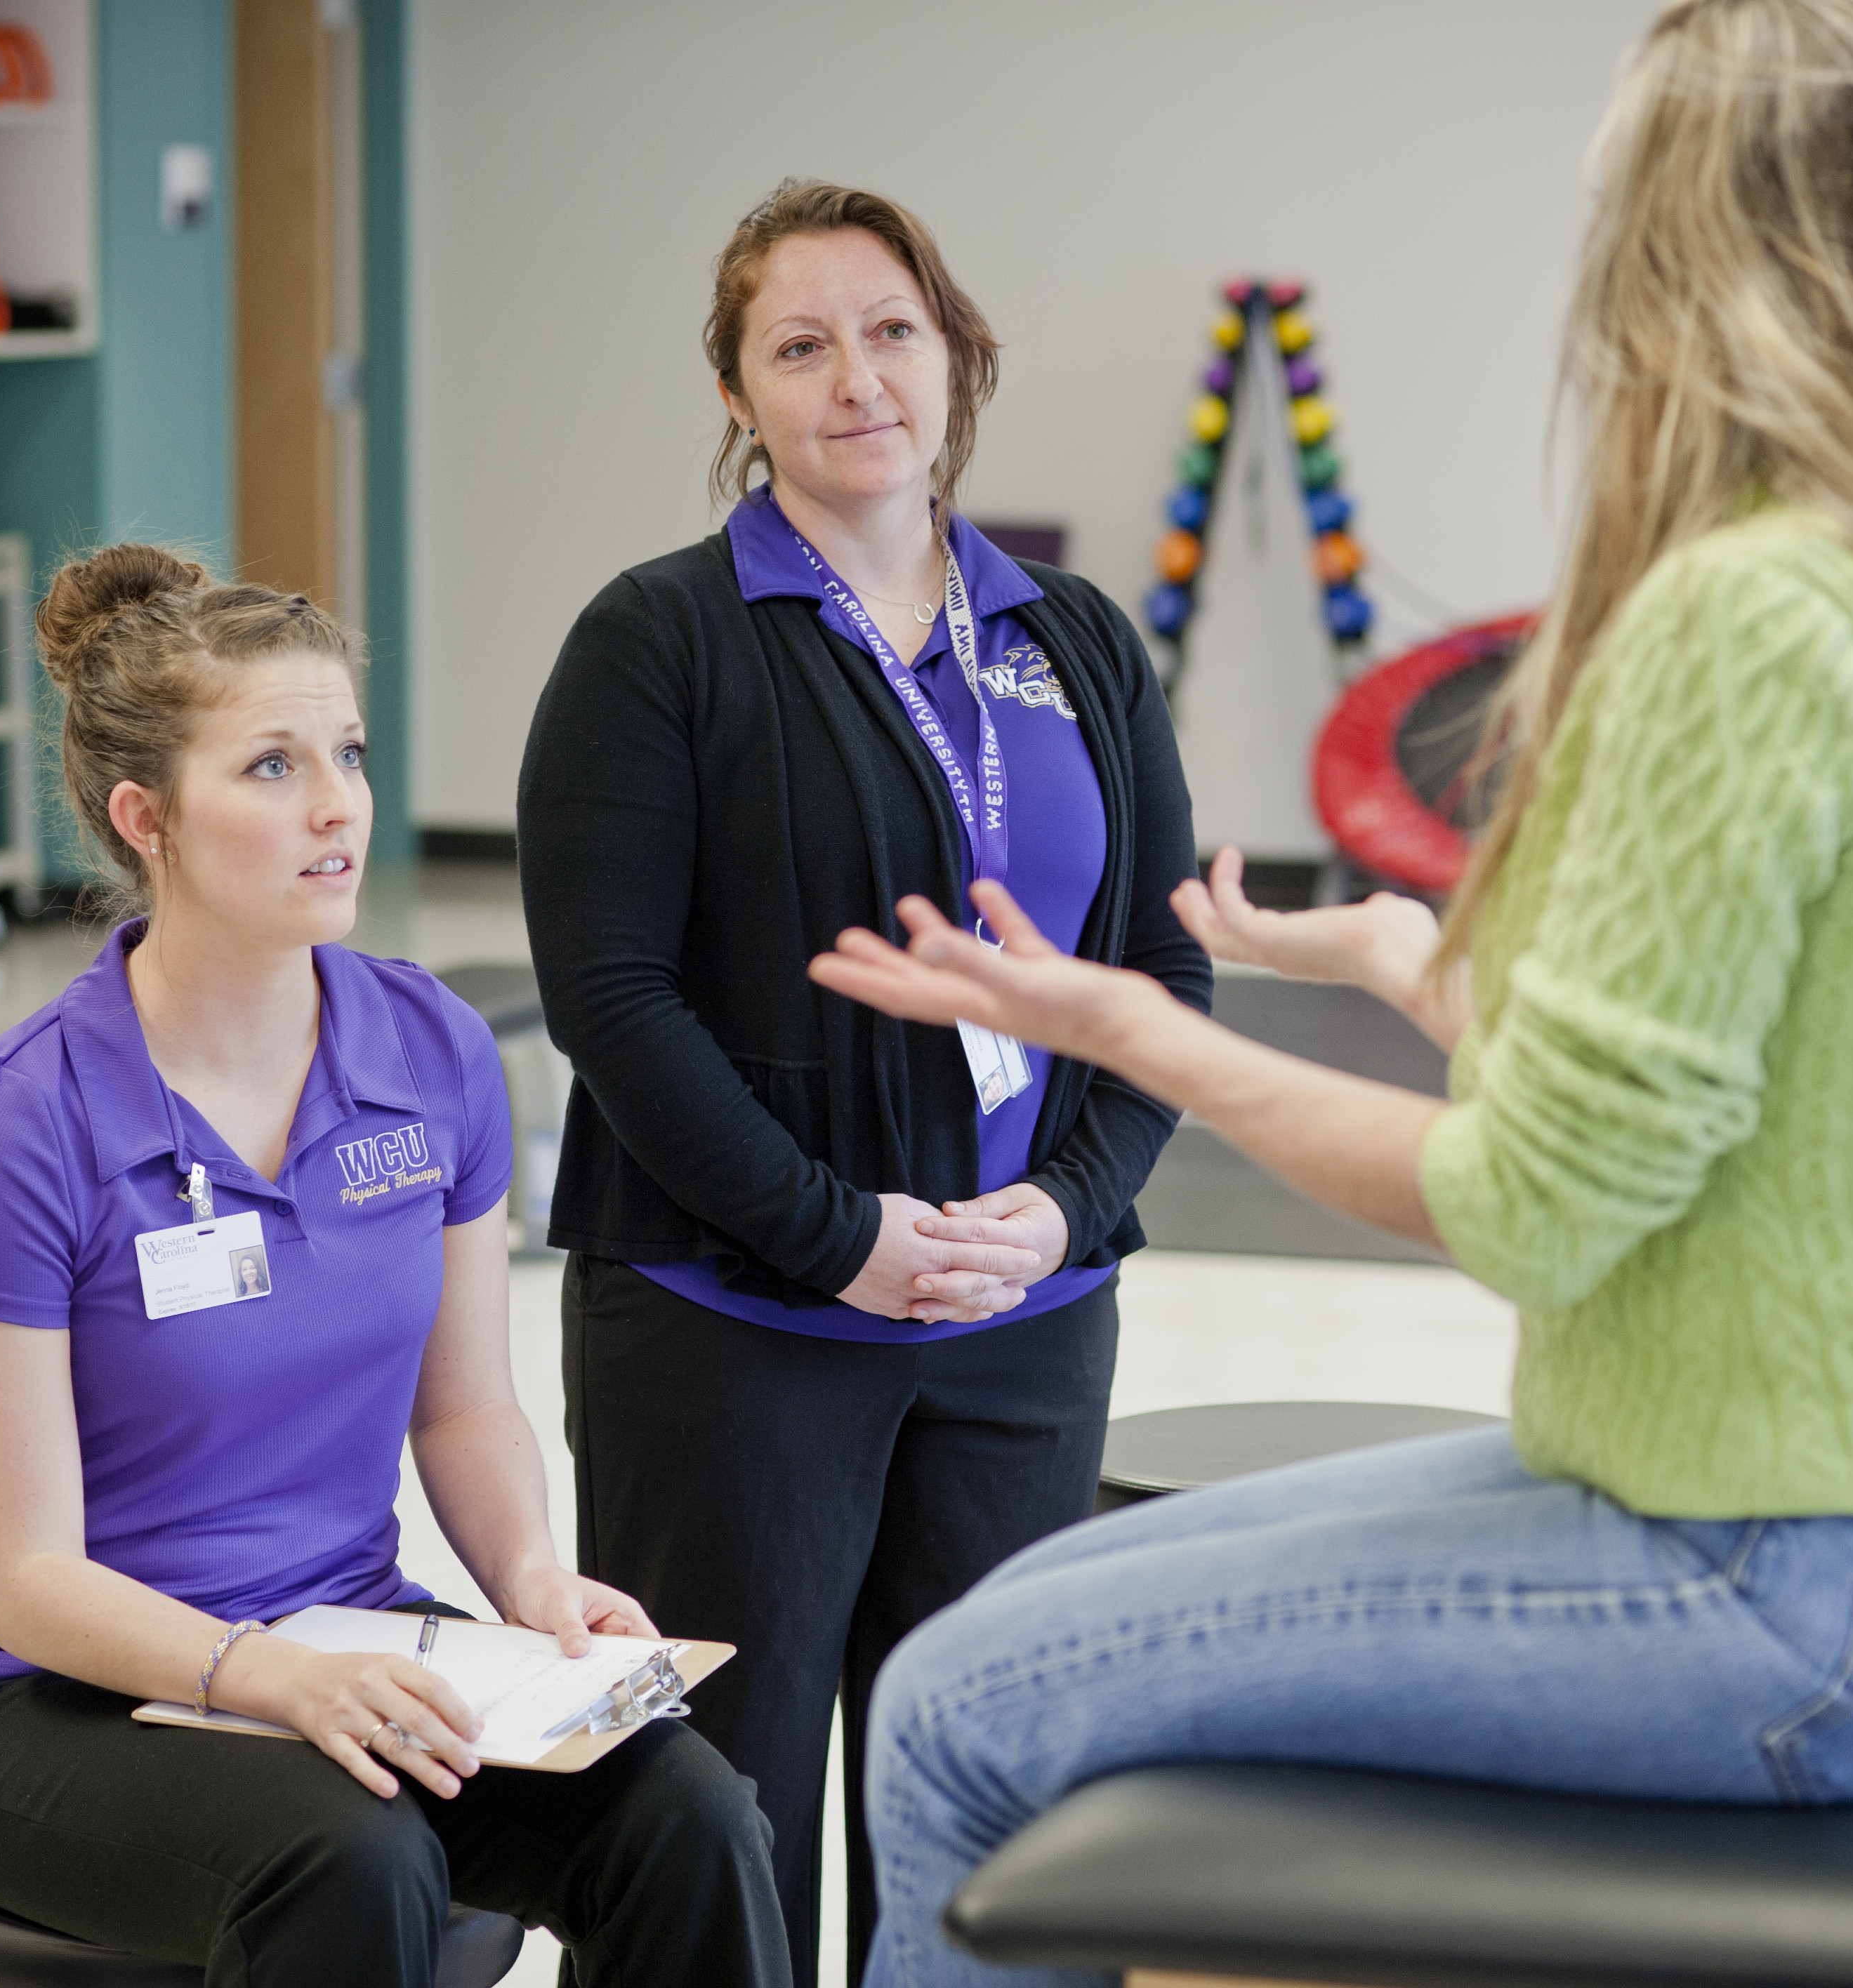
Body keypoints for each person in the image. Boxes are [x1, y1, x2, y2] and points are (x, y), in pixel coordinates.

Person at [807, 3, 1853, 1980]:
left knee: (950, 1715)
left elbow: (1535, 1204)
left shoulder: (1745, 612)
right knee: (1032, 1622)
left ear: (1681, 248)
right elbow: (1768, 1108)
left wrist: (1140, 1031)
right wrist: (1406, 966)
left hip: (1805, 1577)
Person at [0, 545, 788, 1988]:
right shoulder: (26, 1121)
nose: (338, 809)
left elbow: (465, 1409)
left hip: (346, 1640)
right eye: (269, 767)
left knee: (687, 1810)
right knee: (356, 1851)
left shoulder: (432, 1049)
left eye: (349, 755)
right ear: (148, 820)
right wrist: (271, 1679)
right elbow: (28, 1579)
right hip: (56, 1705)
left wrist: (530, 1584)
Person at [516, 180, 1206, 1982]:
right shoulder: (658, 640)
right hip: (737, 1334)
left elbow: (1165, 972)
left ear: (955, 358)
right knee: (711, 1830)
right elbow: (608, 992)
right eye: (798, 345)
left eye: (890, 331)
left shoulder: (1071, 640)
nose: (856, 379)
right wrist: (836, 1240)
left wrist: (1067, 1208)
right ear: (738, 395)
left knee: (983, 1816)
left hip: (1022, 1329)